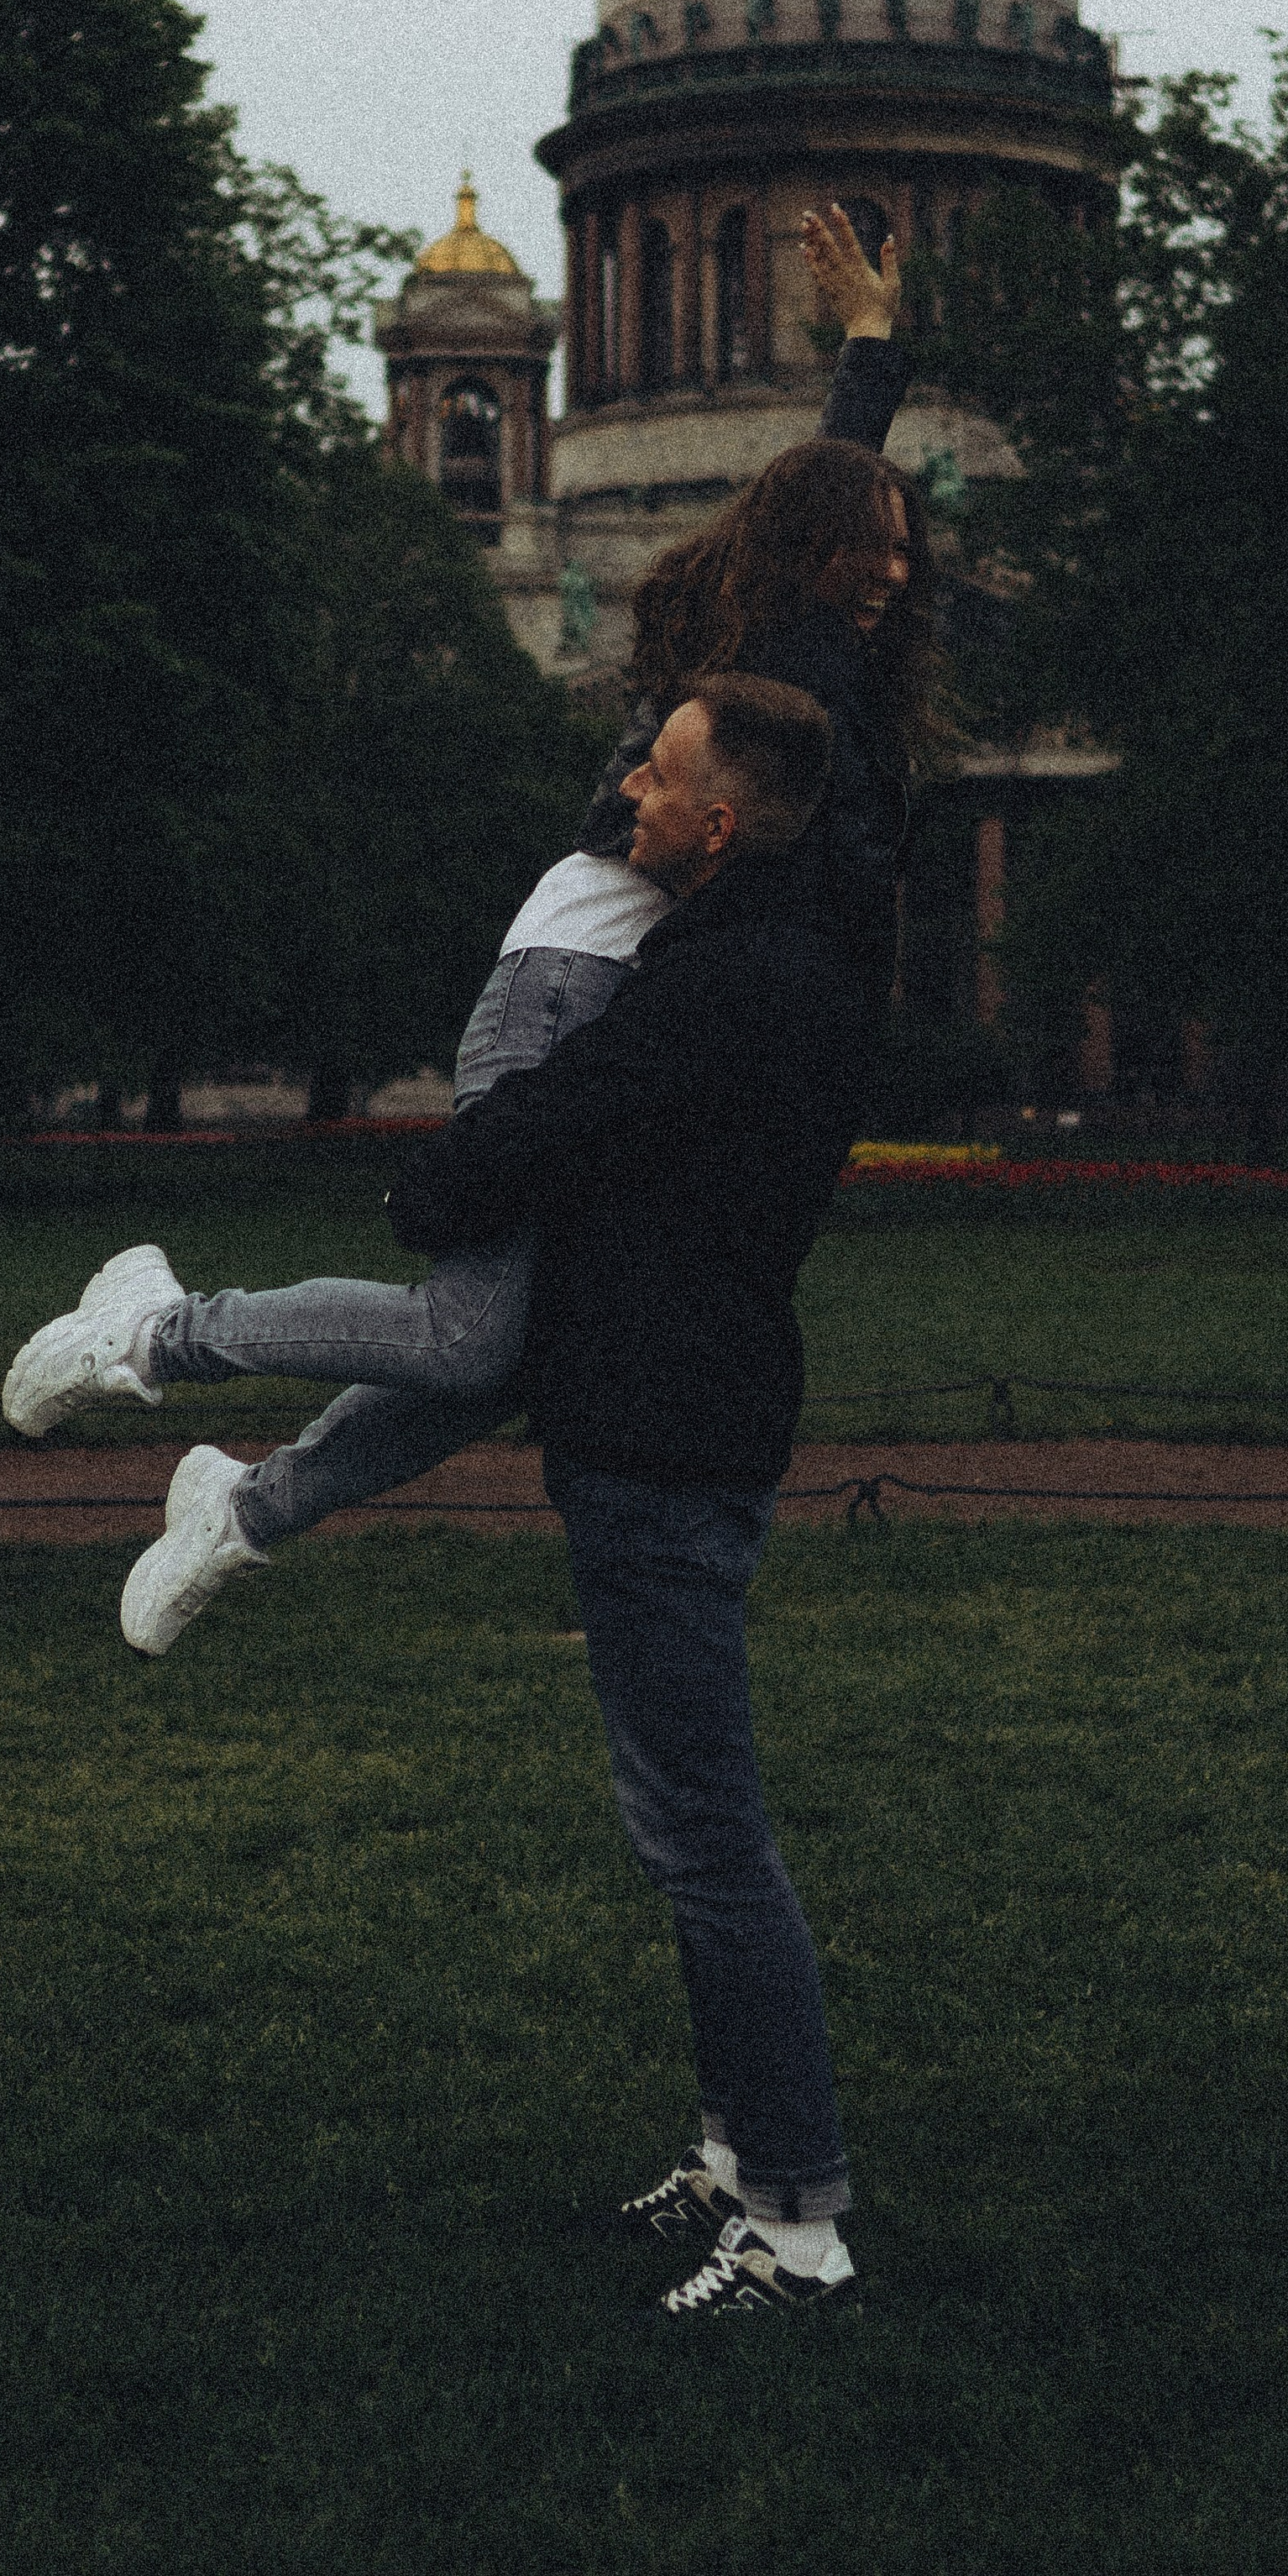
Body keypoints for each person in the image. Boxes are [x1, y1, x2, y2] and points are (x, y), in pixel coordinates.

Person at [0, 205, 935, 1563]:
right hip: (571, 984)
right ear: (808, 557)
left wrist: (869, 347)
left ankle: (243, 1513)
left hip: (631, 1004)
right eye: (866, 553)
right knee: (465, 1333)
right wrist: (869, 360)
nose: (891, 575)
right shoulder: (767, 664)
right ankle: (150, 1328)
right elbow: (825, 496)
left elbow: (831, 500)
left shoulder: (788, 657)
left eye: (903, 556)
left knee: (508, 1355)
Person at [386, 672, 868, 2318]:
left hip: (664, 1427)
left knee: (706, 1837)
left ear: (718, 825)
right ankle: (739, 2151)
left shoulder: (727, 981)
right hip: (671, 1406)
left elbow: (558, 1113)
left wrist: (426, 1187)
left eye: (653, 780)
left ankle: (796, 2221)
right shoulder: (769, 947)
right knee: (681, 1828)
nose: (627, 798)